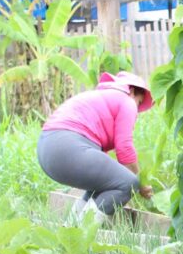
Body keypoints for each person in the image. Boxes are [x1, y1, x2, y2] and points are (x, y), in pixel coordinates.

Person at [37, 71, 155, 219]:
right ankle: (83, 235)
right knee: (129, 184)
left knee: (105, 183)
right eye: (139, 102)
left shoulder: (100, 99)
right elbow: (124, 147)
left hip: (47, 148)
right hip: (68, 145)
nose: (136, 109)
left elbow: (104, 167)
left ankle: (71, 230)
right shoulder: (127, 100)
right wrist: (141, 183)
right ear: (131, 91)